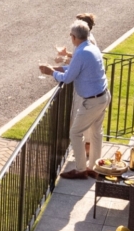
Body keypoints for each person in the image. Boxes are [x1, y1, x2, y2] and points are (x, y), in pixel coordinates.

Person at [40, 19, 110, 179]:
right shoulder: (92, 47)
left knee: (75, 132)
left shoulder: (80, 52)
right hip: (103, 96)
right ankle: (94, 168)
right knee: (96, 133)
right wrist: (56, 69)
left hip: (92, 101)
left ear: (74, 37)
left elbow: (68, 77)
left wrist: (51, 72)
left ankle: (80, 170)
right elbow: (76, 68)